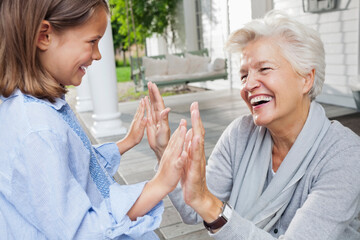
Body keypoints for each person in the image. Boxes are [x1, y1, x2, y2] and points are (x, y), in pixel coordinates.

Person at [148, 10, 360, 240]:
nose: (248, 85)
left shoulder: (345, 154)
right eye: (243, 75)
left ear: (306, 79)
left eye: (264, 69)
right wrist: (164, 150)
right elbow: (193, 209)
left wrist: (208, 204)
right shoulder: (239, 134)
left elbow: (204, 203)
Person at [0, 0, 187, 239]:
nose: (98, 55)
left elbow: (77, 167)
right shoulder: (36, 130)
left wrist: (127, 141)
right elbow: (81, 232)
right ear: (44, 36)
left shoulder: (40, 108)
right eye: (92, 41)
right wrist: (160, 184)